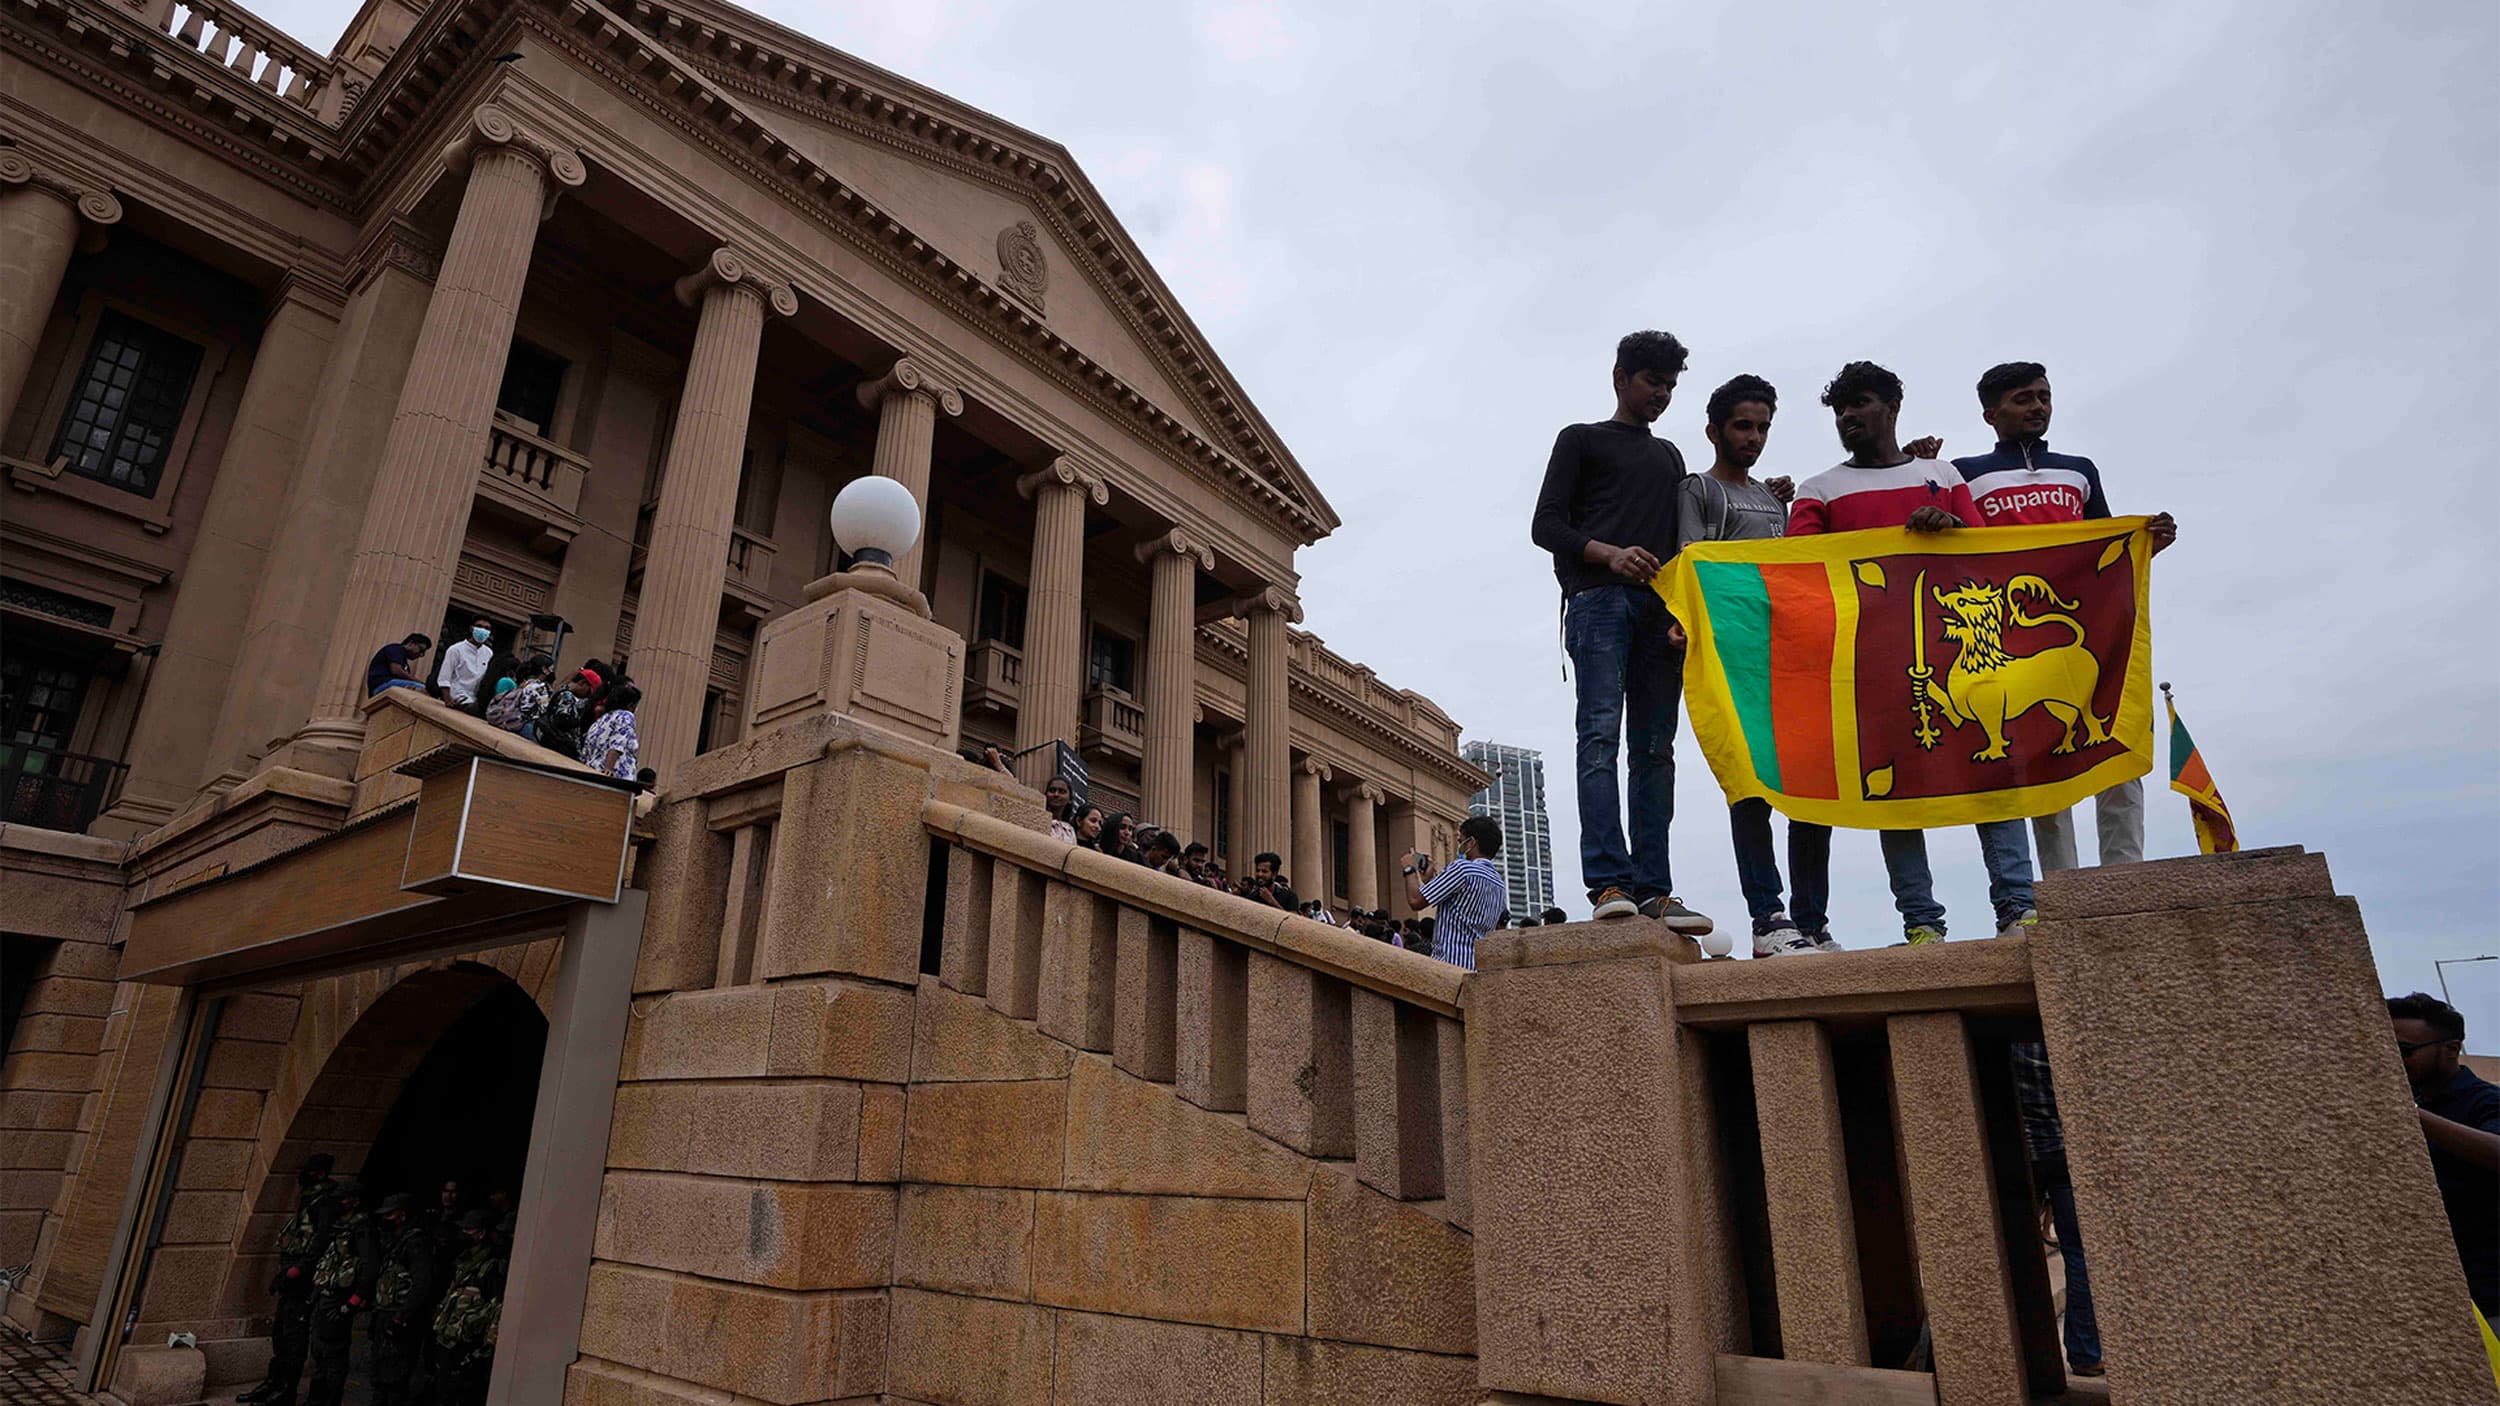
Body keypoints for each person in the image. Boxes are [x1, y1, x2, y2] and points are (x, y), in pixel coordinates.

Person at [1785, 362, 2037, 945]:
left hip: (1962, 652)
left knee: (1991, 765)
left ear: (1893, 408)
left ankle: (2017, 906)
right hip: (1874, 662)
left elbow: (1987, 554)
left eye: (1861, 404)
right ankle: (1921, 922)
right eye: (1840, 410)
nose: (1849, 417)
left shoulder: (1942, 474)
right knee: (1895, 787)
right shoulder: (1818, 489)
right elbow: (1796, 571)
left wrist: (1950, 523)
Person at [1952, 362, 2177, 873]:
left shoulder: (2080, 469)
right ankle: (2063, 882)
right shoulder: (1968, 472)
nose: (2037, 407)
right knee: (2043, 750)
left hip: (2089, 629)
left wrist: (2148, 546)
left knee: (2113, 742)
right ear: (1991, 413)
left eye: (2043, 397)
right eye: (2022, 399)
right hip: (2016, 639)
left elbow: (2104, 552)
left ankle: (2125, 875)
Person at [1528, 329, 1711, 933]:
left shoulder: (1670, 458)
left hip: (1662, 613)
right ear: (1620, 378)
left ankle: (1656, 890)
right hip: (1598, 603)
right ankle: (1608, 881)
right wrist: (1608, 554)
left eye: (1669, 385)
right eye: (1651, 381)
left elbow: (1691, 541)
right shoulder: (1581, 439)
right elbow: (1545, 525)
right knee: (1600, 737)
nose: (1660, 395)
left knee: (1657, 751)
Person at [1674, 374, 1831, 956]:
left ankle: (1812, 920)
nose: (1754, 437)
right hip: (1731, 662)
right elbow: (1692, 563)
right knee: (1750, 790)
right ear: (1714, 430)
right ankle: (1768, 918)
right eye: (1743, 425)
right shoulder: (1697, 489)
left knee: (1811, 789)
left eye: (1763, 426)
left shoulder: (1772, 499)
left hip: (1786, 661)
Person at [2390, 992, 2500, 1315]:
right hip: (2439, 1294)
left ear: (2451, 1049)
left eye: (2404, 1050)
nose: (2394, 1059)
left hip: (2491, 1293)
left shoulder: (2485, 1101)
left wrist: (2411, 1116)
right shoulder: (2416, 1101)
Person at [2010, 1042, 2101, 1377]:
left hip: (2023, 1154)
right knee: (2080, 1254)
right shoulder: (2059, 1037)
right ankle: (2086, 1352)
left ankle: (2024, 1356)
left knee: (2013, 1254)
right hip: (2066, 1154)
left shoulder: (2014, 1044)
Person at [240, 1154, 339, 1406]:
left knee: (294, 1338)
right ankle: (274, 1383)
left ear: (319, 1173)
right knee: (281, 1335)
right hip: (291, 1278)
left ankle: (287, 1391)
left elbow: (319, 1244)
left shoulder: (325, 1202)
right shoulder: (309, 1198)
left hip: (302, 1282)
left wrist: (296, 1271)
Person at [1402, 815, 1508, 970]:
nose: (1460, 847)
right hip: (1477, 967)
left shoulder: (1462, 868)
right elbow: (1464, 906)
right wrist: (1431, 881)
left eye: (1461, 841)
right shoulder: (1499, 883)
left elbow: (1415, 900)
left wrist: (1409, 868)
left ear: (1471, 843)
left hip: (1450, 964)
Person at [303, 1179, 374, 1406]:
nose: (339, 1203)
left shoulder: (362, 1228)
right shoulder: (337, 1226)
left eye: (343, 1199)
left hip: (340, 1301)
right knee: (318, 1355)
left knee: (333, 1357)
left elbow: (369, 1269)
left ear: (354, 1201)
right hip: (324, 1297)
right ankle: (315, 1399)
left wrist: (351, 1303)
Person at [367, 1192, 438, 1406]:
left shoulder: (416, 1242)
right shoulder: (395, 1241)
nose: (385, 1219)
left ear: (403, 1215)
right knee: (380, 1375)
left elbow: (422, 1283)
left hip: (400, 1319)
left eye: (390, 1214)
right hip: (385, 1313)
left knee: (395, 1378)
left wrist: (402, 1316)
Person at [429, 1210, 503, 1406]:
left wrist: (485, 1346)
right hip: (447, 1339)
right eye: (463, 1229)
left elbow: (496, 1309)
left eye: (469, 1229)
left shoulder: (491, 1266)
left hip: (468, 1345)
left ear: (481, 1233)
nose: (464, 1233)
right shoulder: (461, 1260)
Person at [581, 683, 640, 780]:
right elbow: (617, 745)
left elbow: (586, 751)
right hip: (616, 777)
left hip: (592, 772)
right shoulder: (626, 716)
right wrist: (608, 768)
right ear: (631, 705)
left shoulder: (600, 720)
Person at [438, 618, 494, 709]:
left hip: (476, 698)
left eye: (487, 628)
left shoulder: (488, 653)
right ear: (471, 628)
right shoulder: (456, 649)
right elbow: (444, 677)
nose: (483, 630)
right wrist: (447, 699)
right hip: (458, 695)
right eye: (479, 626)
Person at [366, 634, 433, 696]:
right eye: (421, 650)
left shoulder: (404, 663)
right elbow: (396, 671)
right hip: (381, 685)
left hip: (384, 686)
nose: (421, 655)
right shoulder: (396, 649)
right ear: (411, 643)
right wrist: (419, 682)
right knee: (421, 688)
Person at [1234, 852, 1300, 912]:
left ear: (1274, 874)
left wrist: (1272, 902)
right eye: (1257, 870)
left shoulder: (1290, 897)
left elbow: (1293, 921)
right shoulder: (1251, 898)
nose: (1259, 874)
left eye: (1264, 871)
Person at [1041, 775, 1078, 842]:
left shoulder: (1069, 830)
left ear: (1070, 799)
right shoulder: (1038, 821)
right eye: (1052, 790)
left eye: (1062, 791)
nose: (1056, 794)